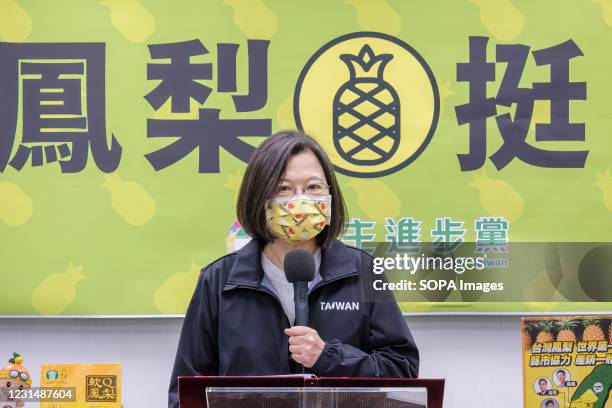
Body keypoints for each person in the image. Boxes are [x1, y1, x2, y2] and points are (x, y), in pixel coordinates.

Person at [168, 130, 419, 407]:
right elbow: (185, 392)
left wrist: (329, 358)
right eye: (283, 188)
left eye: (313, 188)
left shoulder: (364, 271)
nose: (299, 201)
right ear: (259, 197)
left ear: (330, 195)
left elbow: (402, 368)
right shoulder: (219, 280)